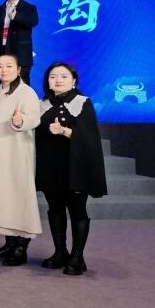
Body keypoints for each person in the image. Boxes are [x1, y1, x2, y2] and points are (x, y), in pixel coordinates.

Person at [34, 61, 106, 276]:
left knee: (77, 210)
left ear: (73, 81)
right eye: (53, 76)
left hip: (75, 167)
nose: (58, 80)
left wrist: (64, 131)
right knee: (55, 209)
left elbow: (89, 138)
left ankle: (77, 256)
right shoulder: (41, 103)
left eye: (64, 76)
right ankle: (60, 252)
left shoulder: (82, 103)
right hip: (50, 166)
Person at [0, 54, 43, 266]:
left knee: (19, 197)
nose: (4, 70)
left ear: (19, 69)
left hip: (16, 154)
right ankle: (9, 242)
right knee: (3, 197)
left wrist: (21, 120)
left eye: (9, 66)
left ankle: (21, 247)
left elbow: (34, 118)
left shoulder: (26, 93)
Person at [0, 0, 39, 83]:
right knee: (3, 82)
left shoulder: (29, 8)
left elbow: (33, 22)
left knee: (22, 82)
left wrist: (17, 17)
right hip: (2, 50)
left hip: (20, 52)